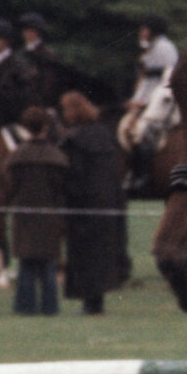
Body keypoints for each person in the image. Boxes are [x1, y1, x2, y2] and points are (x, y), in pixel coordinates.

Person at [57, 91, 125, 314]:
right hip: (108, 203)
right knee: (101, 253)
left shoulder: (73, 140)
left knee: (83, 254)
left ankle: (89, 302)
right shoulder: (105, 135)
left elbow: (72, 174)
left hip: (83, 206)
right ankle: (97, 301)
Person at [4, 105, 66, 315]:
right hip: (50, 217)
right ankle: (50, 307)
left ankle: (24, 307)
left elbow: (9, 189)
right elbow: (61, 191)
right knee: (48, 265)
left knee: (26, 266)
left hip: (24, 218)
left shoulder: (17, 157)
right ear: (46, 128)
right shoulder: (56, 157)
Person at [119, 13, 178, 189]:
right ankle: (133, 171)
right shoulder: (151, 48)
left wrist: (144, 102)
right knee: (127, 127)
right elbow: (146, 80)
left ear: (154, 30)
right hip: (148, 99)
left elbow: (166, 80)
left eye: (145, 28)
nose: (141, 32)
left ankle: (143, 176)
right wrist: (135, 100)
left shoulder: (165, 48)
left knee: (142, 130)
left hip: (161, 100)